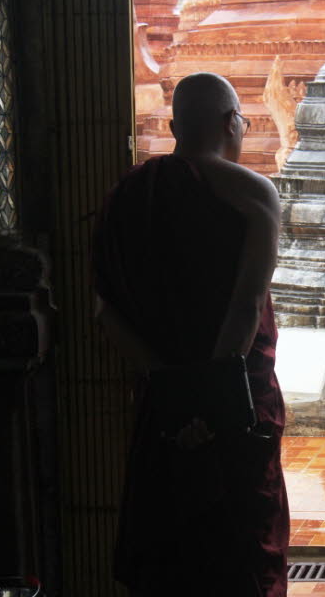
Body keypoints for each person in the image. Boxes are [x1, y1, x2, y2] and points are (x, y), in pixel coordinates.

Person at [92, 72, 288, 597]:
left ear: (176, 125)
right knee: (240, 557)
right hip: (233, 411)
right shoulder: (252, 192)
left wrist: (173, 395)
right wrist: (208, 408)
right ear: (232, 123)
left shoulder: (128, 193)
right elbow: (245, 310)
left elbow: (104, 310)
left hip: (165, 406)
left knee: (170, 556)